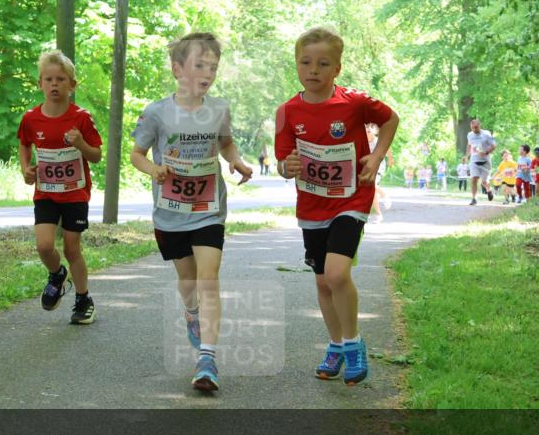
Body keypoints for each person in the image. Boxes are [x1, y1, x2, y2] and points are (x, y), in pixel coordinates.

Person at [274, 27, 399, 387]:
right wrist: (287, 167)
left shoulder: (355, 102)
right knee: (322, 282)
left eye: (323, 63)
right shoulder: (287, 112)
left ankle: (353, 343)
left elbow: (390, 119)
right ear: (297, 66)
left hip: (352, 198)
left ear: (337, 69)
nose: (313, 69)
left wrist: (375, 158)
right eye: (305, 62)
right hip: (312, 205)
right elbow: (284, 162)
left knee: (337, 274)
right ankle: (335, 345)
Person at [130, 33, 252, 392]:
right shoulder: (156, 113)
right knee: (188, 283)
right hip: (170, 213)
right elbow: (137, 153)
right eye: (200, 65)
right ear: (177, 69)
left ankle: (207, 360)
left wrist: (237, 161)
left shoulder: (218, 110)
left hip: (209, 209)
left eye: (212, 67)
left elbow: (225, 142)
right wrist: (152, 170)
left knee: (209, 279)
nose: (208, 73)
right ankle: (192, 313)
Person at [18, 51, 103, 324]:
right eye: (49, 79)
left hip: (75, 193)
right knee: (44, 247)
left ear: (72, 85)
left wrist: (80, 144)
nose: (54, 84)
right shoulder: (31, 118)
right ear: (40, 84)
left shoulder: (81, 118)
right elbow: (24, 143)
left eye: (61, 79)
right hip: (45, 193)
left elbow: (96, 155)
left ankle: (83, 298)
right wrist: (25, 167)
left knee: (71, 248)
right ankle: (56, 274)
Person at [465, 118, 496, 205]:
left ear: (479, 126)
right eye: (472, 127)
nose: (474, 129)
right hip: (474, 160)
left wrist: (486, 152)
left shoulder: (487, 134)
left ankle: (489, 190)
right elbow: (469, 145)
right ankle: (474, 198)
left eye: (476, 127)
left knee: (484, 181)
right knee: (474, 179)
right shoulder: (469, 135)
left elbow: (494, 146)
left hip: (485, 161)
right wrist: (466, 156)